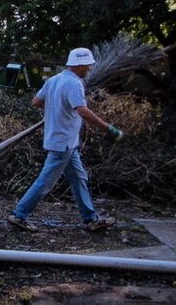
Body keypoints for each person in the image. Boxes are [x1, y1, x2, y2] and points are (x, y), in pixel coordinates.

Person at [7, 48, 124, 233]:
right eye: (88, 65)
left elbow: (36, 101)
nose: (90, 69)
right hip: (63, 142)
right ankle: (19, 215)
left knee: (79, 177)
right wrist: (109, 128)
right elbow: (82, 111)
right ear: (80, 65)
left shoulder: (54, 80)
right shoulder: (73, 84)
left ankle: (90, 219)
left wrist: (56, 107)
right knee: (46, 182)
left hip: (64, 140)